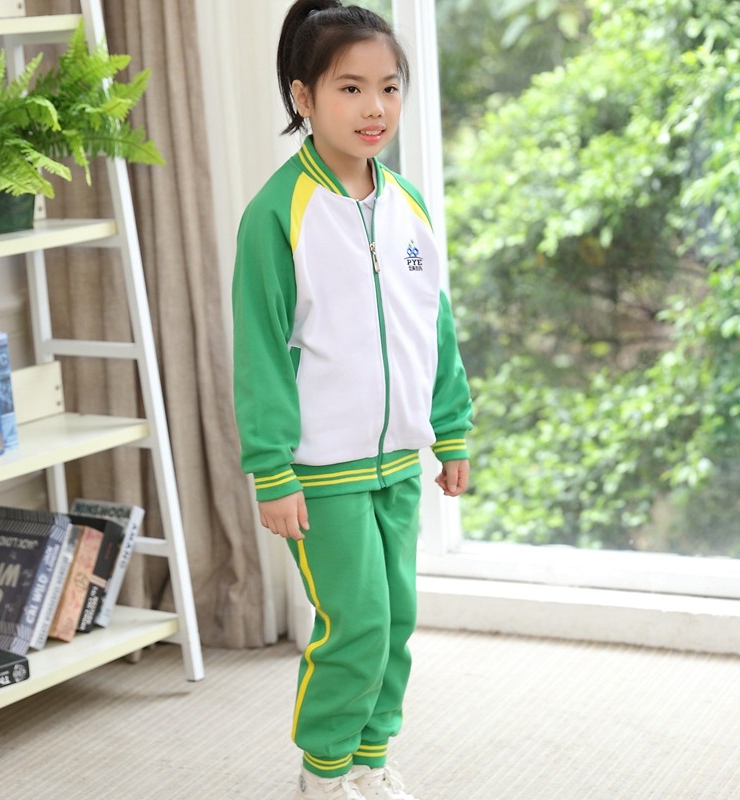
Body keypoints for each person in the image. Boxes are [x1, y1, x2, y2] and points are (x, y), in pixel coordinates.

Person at [232, 2, 472, 798]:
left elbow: (433, 325)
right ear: (304, 97)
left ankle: (370, 761)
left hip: (398, 458)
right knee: (355, 622)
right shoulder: (277, 213)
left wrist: (451, 430)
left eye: (389, 87)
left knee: (396, 620)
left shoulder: (407, 204)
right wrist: (271, 469)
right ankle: (324, 773)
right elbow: (260, 350)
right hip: (320, 468)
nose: (375, 108)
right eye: (351, 88)